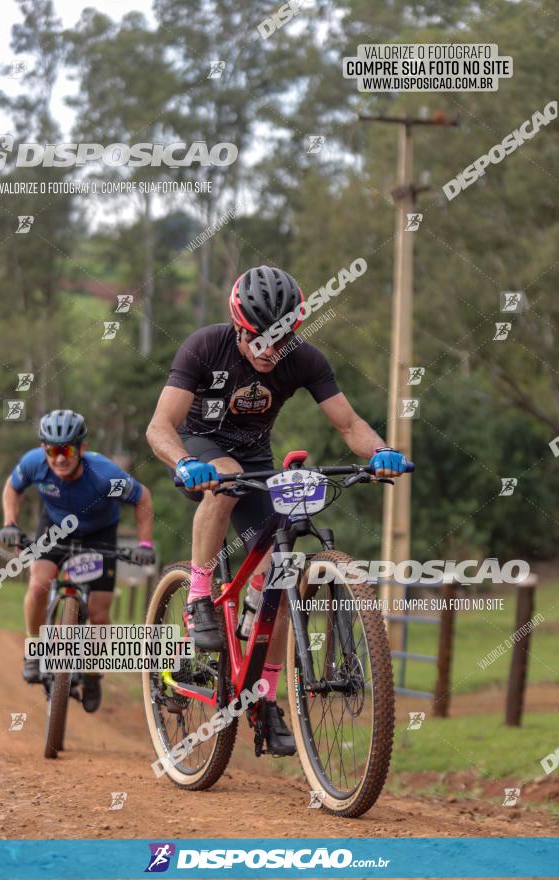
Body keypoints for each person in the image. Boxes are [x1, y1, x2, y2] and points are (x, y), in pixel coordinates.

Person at [146, 265, 409, 755]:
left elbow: (349, 424)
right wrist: (182, 461)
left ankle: (262, 695)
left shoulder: (305, 360)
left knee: (281, 577)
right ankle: (200, 594)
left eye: (281, 339)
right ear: (239, 327)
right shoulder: (206, 346)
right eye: (259, 340)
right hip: (198, 452)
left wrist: (379, 453)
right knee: (222, 476)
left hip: (256, 462)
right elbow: (160, 425)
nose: (270, 351)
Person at [0, 409, 155, 711]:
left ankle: (94, 675)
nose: (59, 459)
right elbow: (12, 488)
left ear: (81, 448)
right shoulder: (34, 464)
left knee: (98, 614)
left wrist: (145, 543)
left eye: (67, 450)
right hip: (55, 529)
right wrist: (10, 523)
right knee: (39, 584)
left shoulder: (105, 475)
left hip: (100, 534)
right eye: (52, 451)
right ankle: (34, 651)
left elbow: (143, 498)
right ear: (44, 449)